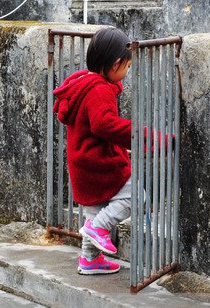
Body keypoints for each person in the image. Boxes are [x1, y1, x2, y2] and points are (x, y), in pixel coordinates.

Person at [52, 26, 133, 275]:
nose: (127, 72)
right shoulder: (99, 89)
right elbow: (104, 124)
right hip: (98, 162)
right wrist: (141, 135)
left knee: (95, 209)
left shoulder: (83, 83)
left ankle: (89, 260)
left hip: (82, 161)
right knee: (135, 196)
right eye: (127, 67)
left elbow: (91, 126)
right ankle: (98, 230)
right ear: (116, 63)